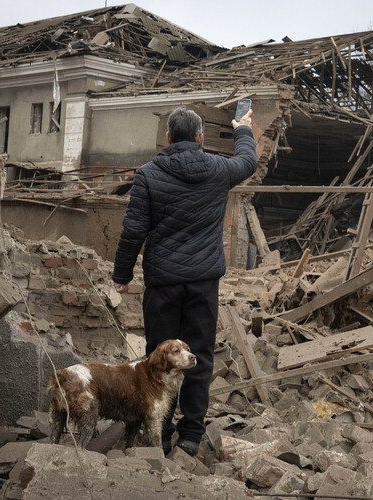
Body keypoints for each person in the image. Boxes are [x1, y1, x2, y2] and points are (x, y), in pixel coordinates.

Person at [112, 106, 256, 456]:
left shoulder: (148, 174)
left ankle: (160, 432)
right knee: (199, 356)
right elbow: (248, 162)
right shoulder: (219, 169)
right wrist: (242, 130)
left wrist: (121, 275)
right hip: (203, 282)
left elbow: (133, 231)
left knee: (158, 358)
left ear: (168, 138)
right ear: (201, 138)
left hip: (162, 283)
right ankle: (191, 434)